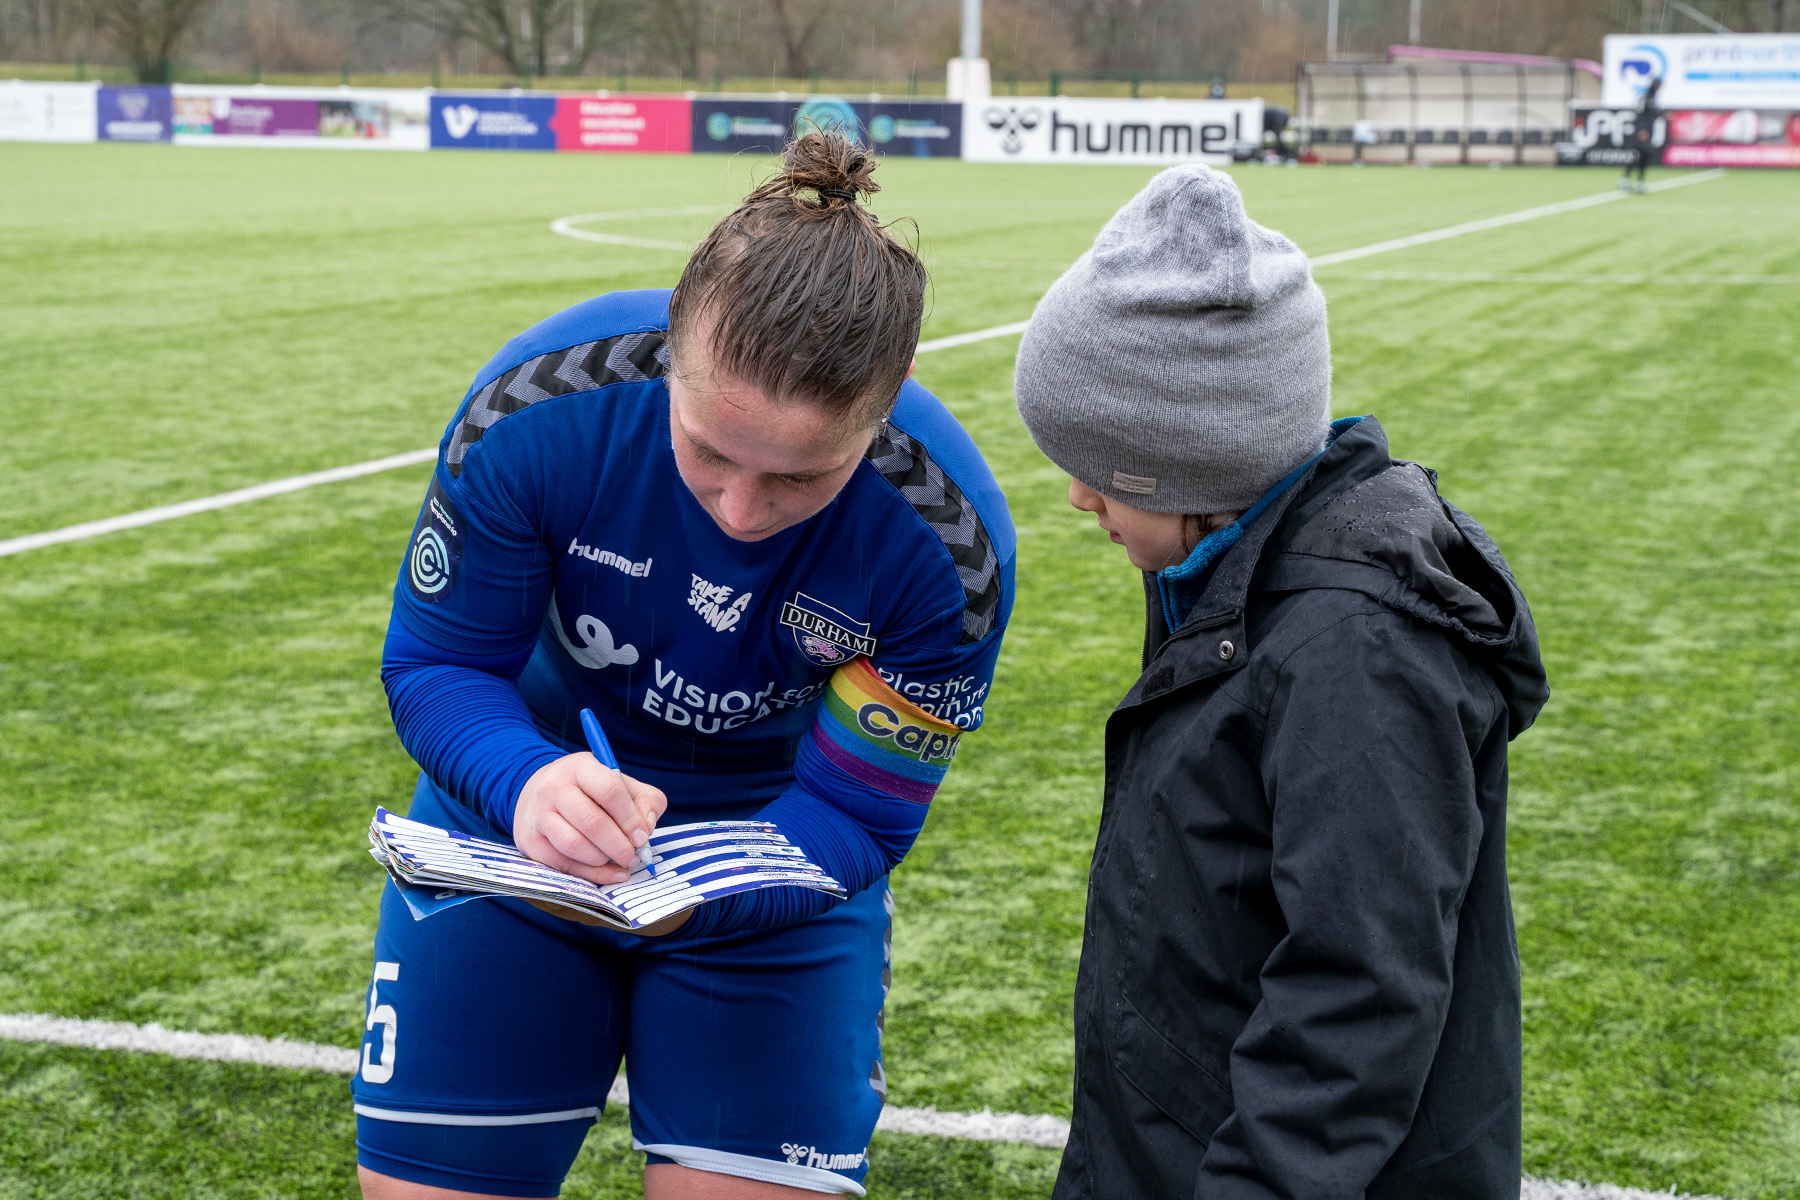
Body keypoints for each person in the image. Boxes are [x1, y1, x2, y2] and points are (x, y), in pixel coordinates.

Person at [352, 130, 1015, 1199]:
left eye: (801, 478)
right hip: (515, 831)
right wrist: (527, 785)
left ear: (883, 408)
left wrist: (700, 887)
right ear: (671, 346)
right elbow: (438, 666)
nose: (742, 511)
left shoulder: (947, 551)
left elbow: (859, 813)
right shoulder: (536, 411)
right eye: (708, 450)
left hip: (777, 865)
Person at [1012, 165, 1549, 1199]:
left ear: (1199, 466)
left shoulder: (1355, 651)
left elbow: (1357, 997)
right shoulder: (1223, 571)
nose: (1078, 496)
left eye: (1107, 470)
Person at [1624, 74, 1663, 193]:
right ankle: (1625, 180)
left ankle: (1639, 182)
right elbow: (1639, 114)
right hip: (1642, 132)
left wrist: (1662, 114)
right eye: (1657, 85)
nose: (1658, 88)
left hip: (1648, 132)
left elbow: (1653, 114)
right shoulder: (1645, 98)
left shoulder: (1652, 98)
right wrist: (1641, 130)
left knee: (1645, 157)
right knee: (1637, 156)